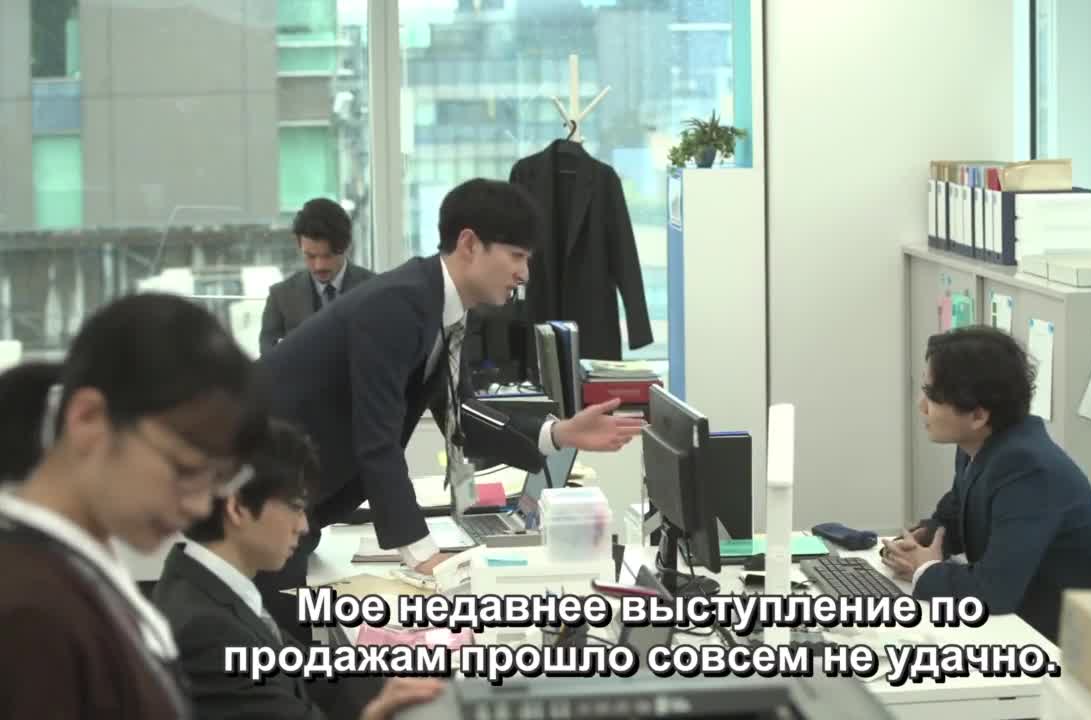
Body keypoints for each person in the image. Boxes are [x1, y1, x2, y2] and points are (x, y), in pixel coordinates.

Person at [255, 178, 645, 634]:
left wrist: (557, 433)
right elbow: (376, 438)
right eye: (517, 256)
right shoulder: (397, 304)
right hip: (260, 491)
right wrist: (422, 553)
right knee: (279, 648)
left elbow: (460, 415)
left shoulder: (440, 306)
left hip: (299, 498)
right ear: (470, 244)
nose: (524, 274)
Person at [0, 293, 270, 719]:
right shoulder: (31, 617)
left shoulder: (74, 574)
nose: (201, 507)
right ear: (88, 418)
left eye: (217, 480)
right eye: (185, 469)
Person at [152, 418, 443, 720]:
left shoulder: (211, 586)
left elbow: (306, 669)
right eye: (295, 506)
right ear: (238, 508)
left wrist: (403, 670)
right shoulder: (208, 630)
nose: (304, 526)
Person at [880, 325, 1091, 642]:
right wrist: (921, 542)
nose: (922, 406)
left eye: (933, 396)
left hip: (1055, 641)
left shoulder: (1028, 469)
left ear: (978, 416)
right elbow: (954, 516)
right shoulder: (978, 446)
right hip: (1019, 620)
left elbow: (991, 593)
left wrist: (926, 571)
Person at [260, 197, 376, 354]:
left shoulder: (375, 290)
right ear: (299, 245)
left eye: (328, 255)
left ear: (346, 246)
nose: (319, 266)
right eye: (310, 256)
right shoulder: (280, 297)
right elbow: (269, 359)